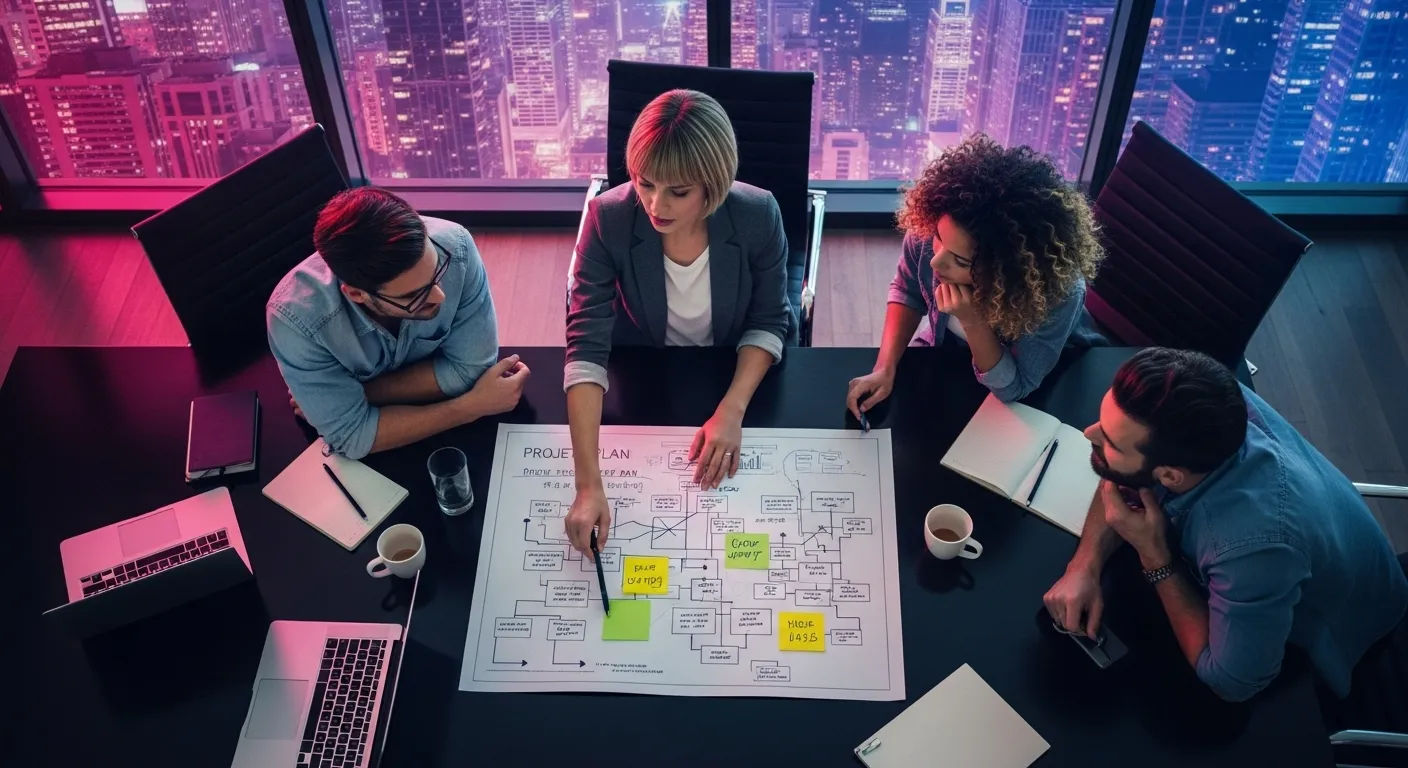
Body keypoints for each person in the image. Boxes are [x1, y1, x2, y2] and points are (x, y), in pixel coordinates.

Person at [1043, 347, 1408, 702]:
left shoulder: (1251, 549)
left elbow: (1231, 682)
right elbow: (1124, 480)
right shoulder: (1203, 406)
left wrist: (1155, 558)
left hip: (1351, 633)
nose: (1089, 433)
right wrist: (1084, 566)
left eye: (1109, 443)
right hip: (1330, 543)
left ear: (1170, 476)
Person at [562, 89, 792, 561]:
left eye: (678, 191)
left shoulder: (757, 214)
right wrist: (588, 485)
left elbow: (771, 319)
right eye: (645, 183)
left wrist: (731, 409)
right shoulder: (607, 218)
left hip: (729, 368)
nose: (654, 203)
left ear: (715, 183)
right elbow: (585, 346)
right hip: (644, 372)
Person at [847, 136, 1104, 417]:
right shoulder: (932, 230)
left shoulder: (1056, 293)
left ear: (1005, 270)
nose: (936, 261)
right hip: (947, 357)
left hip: (1046, 387)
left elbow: (1016, 387)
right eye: (938, 238)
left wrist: (973, 320)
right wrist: (885, 367)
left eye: (960, 260)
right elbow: (907, 291)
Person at [268, 187, 529, 459]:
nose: (440, 296)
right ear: (357, 294)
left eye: (436, 271)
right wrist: (470, 407)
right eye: (412, 295)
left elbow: (470, 371)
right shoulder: (295, 322)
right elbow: (353, 438)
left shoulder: (456, 246)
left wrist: (358, 396)